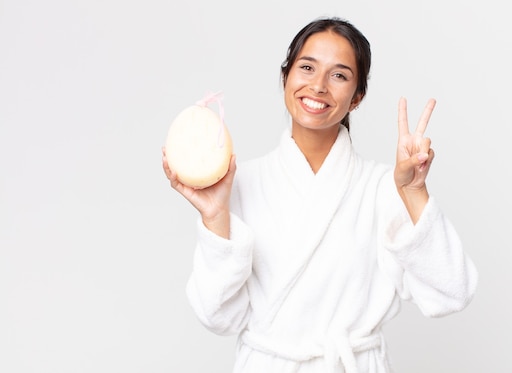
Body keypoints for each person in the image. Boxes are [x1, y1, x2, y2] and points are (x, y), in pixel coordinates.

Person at [163, 16, 478, 373]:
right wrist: (214, 216)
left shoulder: (383, 189)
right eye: (307, 67)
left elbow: (453, 291)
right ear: (286, 77)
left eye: (339, 75)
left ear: (357, 97)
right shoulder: (241, 183)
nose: (318, 86)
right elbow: (217, 316)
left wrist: (414, 191)